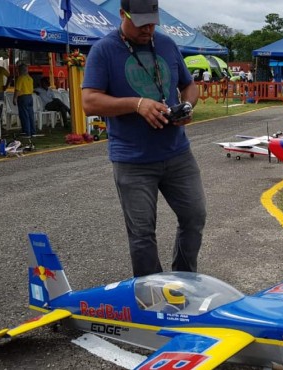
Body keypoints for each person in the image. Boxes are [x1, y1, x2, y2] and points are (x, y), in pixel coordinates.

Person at [81, 0, 206, 277]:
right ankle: (150, 296)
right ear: (122, 14)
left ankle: (184, 280)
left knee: (194, 217)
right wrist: (137, 104)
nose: (148, 29)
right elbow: (89, 101)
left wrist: (187, 106)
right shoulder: (104, 50)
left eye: (153, 22)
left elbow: (188, 85)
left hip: (177, 153)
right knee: (142, 234)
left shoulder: (166, 44)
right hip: (133, 160)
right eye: (141, 23)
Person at [13, 64, 35, 137]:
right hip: (30, 97)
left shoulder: (20, 78)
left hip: (23, 97)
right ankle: (32, 131)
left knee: (24, 115)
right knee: (30, 115)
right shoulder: (30, 78)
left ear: (20, 70)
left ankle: (26, 132)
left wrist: (15, 98)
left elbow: (17, 89)